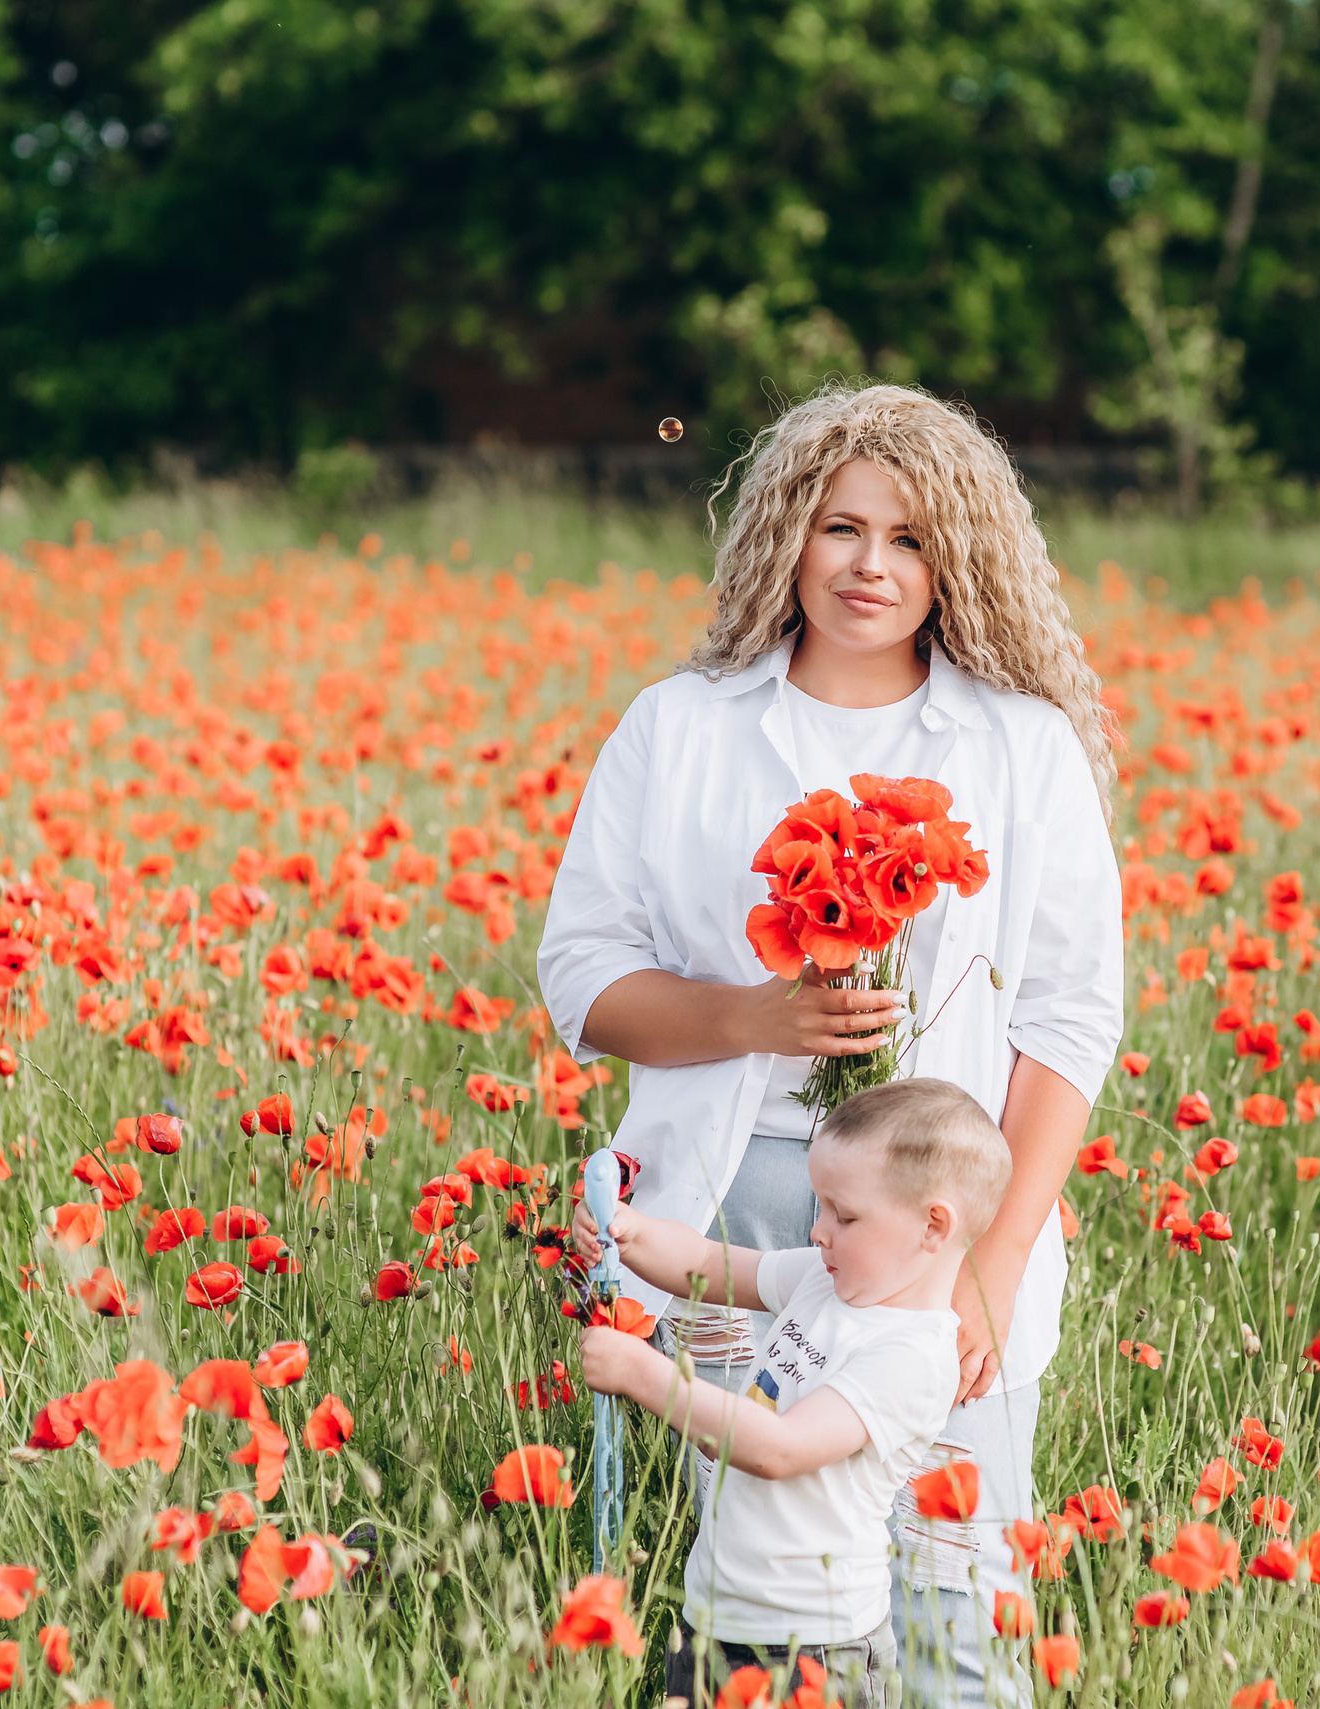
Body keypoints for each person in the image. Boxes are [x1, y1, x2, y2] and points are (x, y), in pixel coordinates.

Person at [538, 381, 1124, 1706]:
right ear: (785, 535)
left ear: (956, 561)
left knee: (951, 1599)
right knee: (759, 1599)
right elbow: (580, 978)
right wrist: (750, 1018)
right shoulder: (677, 729)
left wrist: (995, 1259)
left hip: (942, 1234)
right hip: (727, 1206)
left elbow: (1070, 1022)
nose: (870, 566)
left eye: (910, 538)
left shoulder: (1021, 750)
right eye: (840, 526)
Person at [577, 1078, 1012, 1709]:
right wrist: (630, 1230)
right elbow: (709, 1265)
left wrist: (645, 1376)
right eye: (821, 1206)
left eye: (845, 1214)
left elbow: (778, 1449)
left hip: (815, 1649)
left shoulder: (912, 1357)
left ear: (933, 1226)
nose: (819, 1230)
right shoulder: (823, 1281)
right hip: (715, 1616)